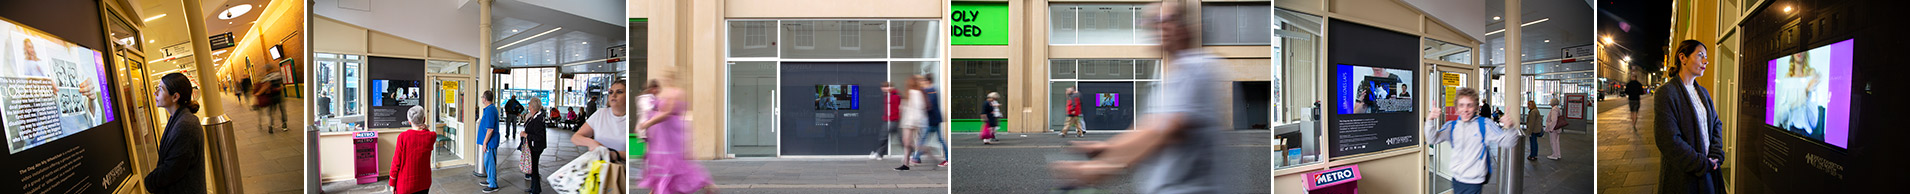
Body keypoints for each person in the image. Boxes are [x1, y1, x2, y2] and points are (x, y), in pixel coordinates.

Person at [1049, 2, 1229, 193]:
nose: (1159, 27)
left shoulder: (1197, 69)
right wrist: (1109, 147)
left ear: (1186, 27)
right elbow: (1150, 126)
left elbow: (1166, 131)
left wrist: (1103, 167)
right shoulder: (1174, 75)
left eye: (1168, 20)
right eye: (1154, 21)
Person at [1656, 40, 1726, 194]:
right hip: (1684, 175)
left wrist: (1715, 154)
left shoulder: (1703, 92)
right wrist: (1701, 163)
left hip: (1708, 170)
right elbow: (1668, 140)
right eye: (1700, 55)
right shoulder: (1666, 93)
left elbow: (1716, 124)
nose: (1706, 61)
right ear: (1683, 58)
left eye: (1706, 57)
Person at [1424, 87, 1520, 194]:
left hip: (1474, 182)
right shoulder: (1452, 126)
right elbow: (1432, 139)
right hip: (1456, 180)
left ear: (1475, 108)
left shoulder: (1484, 124)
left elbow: (1508, 142)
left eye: (1469, 105)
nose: (1465, 109)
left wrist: (1511, 127)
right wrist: (1430, 120)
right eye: (1461, 105)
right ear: (1457, 108)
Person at [636, 76, 716, 194]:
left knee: (672, 163)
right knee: (669, 163)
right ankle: (658, 189)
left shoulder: (675, 93)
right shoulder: (665, 94)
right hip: (663, 133)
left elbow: (666, 113)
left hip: (669, 133)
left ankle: (704, 183)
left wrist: (648, 123)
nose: (666, 80)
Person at [145, 73, 207, 194]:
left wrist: (149, 181)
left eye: (161, 89)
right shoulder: (179, 119)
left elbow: (173, 169)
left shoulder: (185, 125)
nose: (155, 93)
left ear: (175, 97)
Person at [573, 80, 629, 154]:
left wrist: (615, 154)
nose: (613, 95)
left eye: (619, 92)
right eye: (611, 92)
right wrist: (592, 143)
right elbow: (576, 137)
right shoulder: (601, 113)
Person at [390, 106, 435, 194]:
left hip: (405, 185)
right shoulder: (431, 136)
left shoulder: (403, 137)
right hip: (424, 183)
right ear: (424, 119)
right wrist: (425, 127)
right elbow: (429, 133)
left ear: (409, 121)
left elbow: (396, 162)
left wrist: (392, 182)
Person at [913, 74, 950, 168]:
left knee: (924, 139)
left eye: (922, 81)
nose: (921, 83)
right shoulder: (931, 90)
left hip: (931, 119)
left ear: (927, 81)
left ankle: (916, 158)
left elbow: (929, 106)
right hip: (932, 119)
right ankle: (916, 158)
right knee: (930, 139)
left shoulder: (930, 91)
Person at [896, 76, 929, 171]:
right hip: (907, 121)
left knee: (907, 142)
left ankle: (925, 150)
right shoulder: (909, 93)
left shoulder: (916, 93)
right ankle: (905, 164)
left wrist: (915, 121)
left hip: (912, 122)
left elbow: (920, 107)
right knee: (906, 142)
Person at [520, 98, 550, 193]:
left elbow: (539, 136)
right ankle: (534, 187)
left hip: (536, 147)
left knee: (534, 169)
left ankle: (535, 190)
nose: (528, 106)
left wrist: (526, 135)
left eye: (529, 104)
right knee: (533, 168)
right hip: (533, 146)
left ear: (532, 107)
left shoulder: (538, 119)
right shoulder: (534, 116)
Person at [475, 90, 502, 192]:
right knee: (488, 162)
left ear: (485, 99)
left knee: (490, 163)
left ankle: (493, 185)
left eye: (482, 97)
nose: (482, 98)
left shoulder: (490, 110)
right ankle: (490, 179)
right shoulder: (489, 109)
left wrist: (485, 143)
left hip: (490, 142)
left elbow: (490, 129)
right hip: (489, 142)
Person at [874, 82, 901, 160]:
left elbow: (898, 108)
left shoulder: (895, 96)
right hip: (889, 119)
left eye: (884, 87)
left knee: (884, 137)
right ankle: (879, 153)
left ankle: (879, 153)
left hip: (892, 120)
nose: (882, 89)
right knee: (886, 137)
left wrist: (896, 117)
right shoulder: (887, 96)